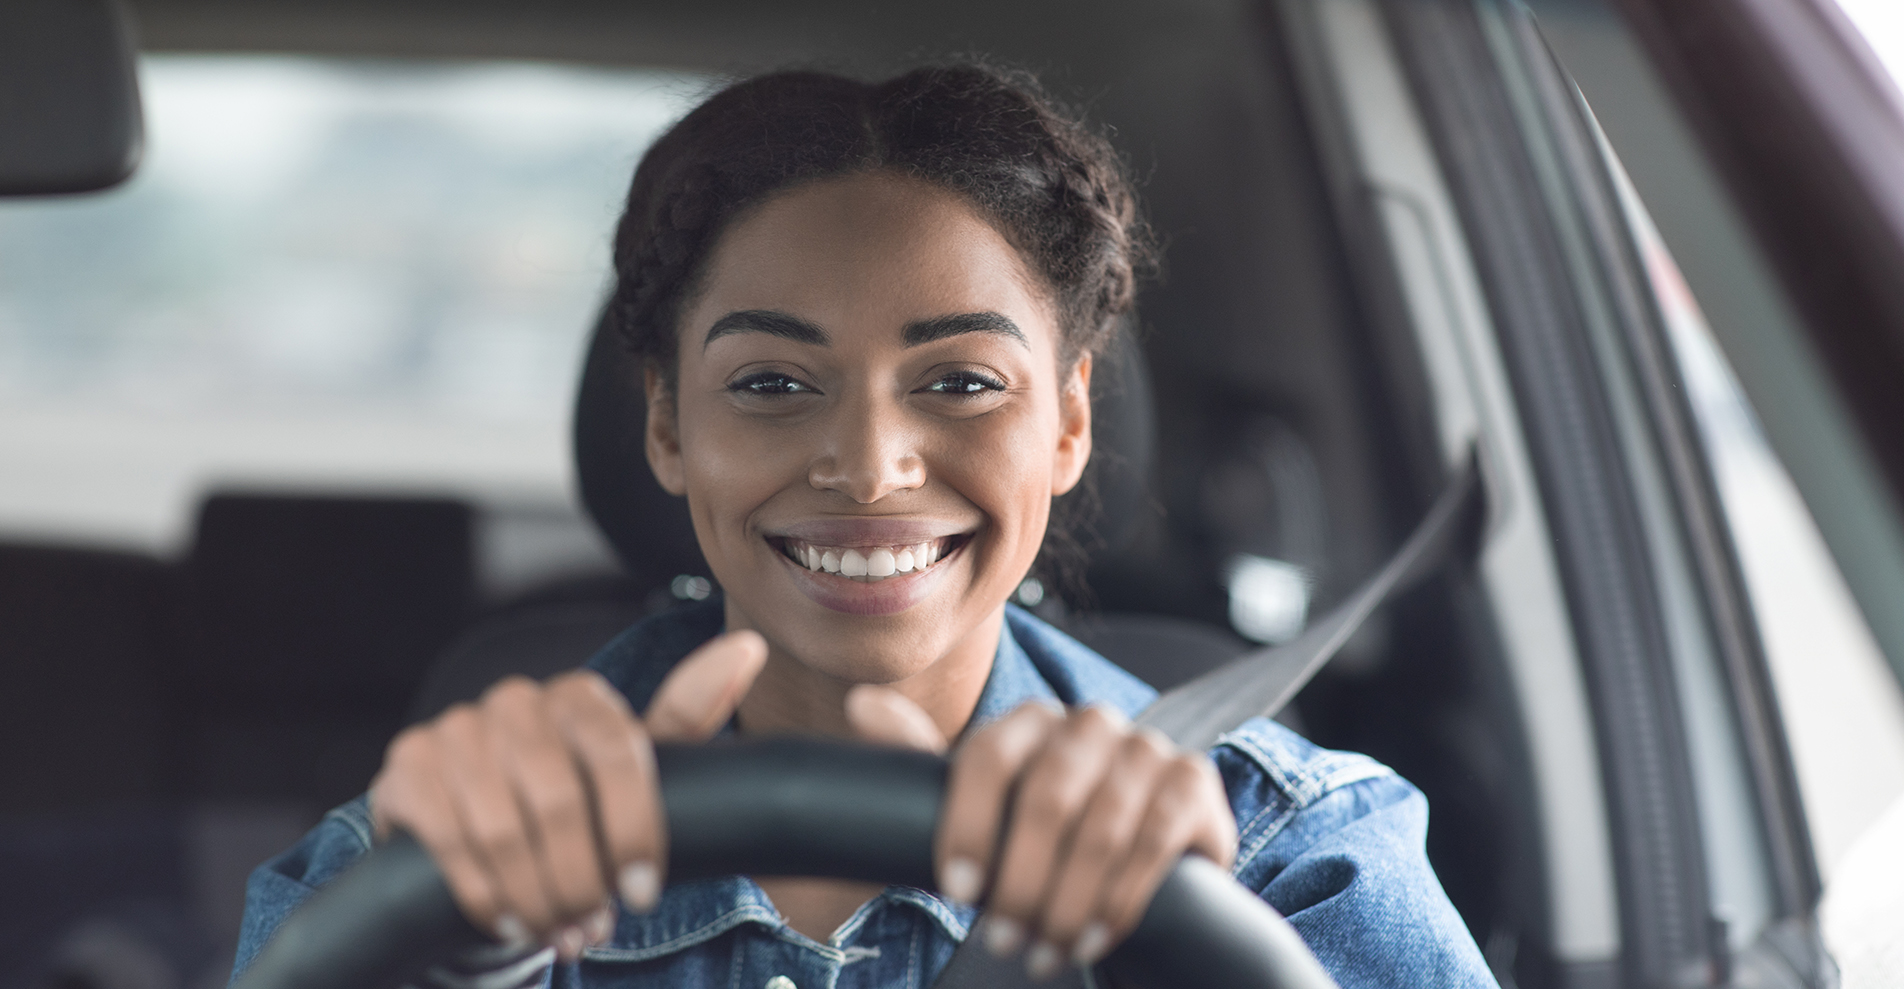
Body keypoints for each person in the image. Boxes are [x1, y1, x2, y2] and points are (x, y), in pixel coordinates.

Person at [231, 63, 1499, 989]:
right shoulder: (427, 864)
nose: (870, 466)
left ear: (1065, 427)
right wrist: (468, 954)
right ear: (667, 428)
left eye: (959, 382)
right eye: (773, 385)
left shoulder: (1291, 854)